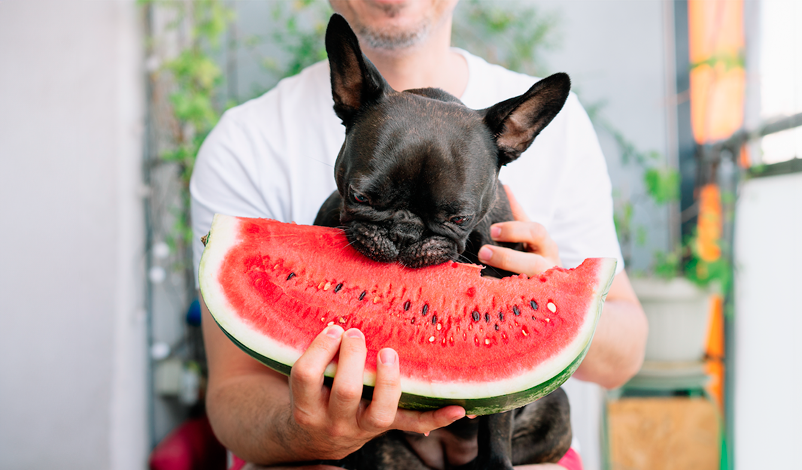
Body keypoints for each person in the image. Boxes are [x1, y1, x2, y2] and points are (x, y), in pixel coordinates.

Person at [190, 0, 648, 468]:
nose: (404, 238)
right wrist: (308, 431)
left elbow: (625, 357)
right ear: (346, 97)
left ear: (514, 142)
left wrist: (554, 299)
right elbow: (232, 389)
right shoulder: (244, 141)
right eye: (367, 199)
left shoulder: (565, 133)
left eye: (452, 219)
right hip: (346, 449)